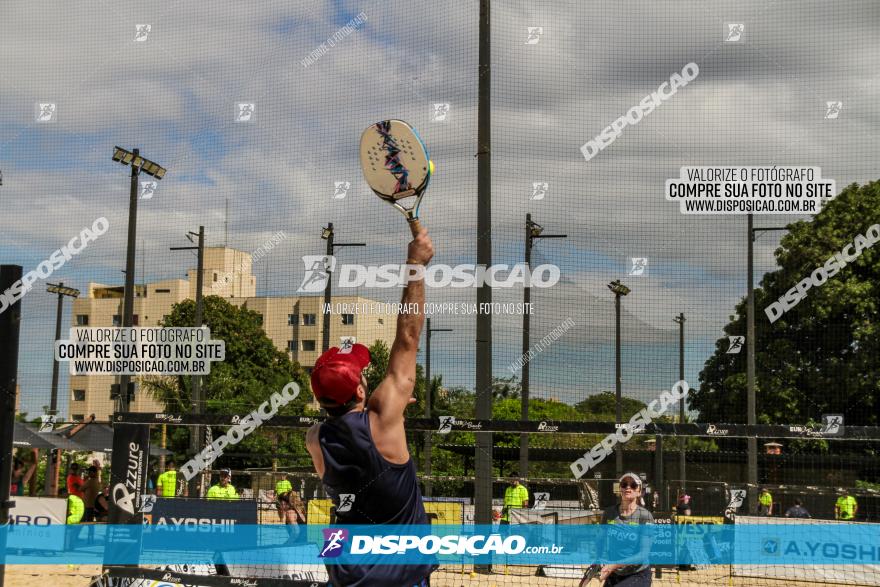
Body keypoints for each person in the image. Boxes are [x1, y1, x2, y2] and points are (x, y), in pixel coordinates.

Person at [305, 227, 435, 587]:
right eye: (362, 375)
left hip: (346, 573)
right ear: (361, 390)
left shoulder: (315, 438)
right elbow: (408, 336)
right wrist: (416, 264)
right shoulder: (382, 420)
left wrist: (391, 418)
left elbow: (353, 435)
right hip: (400, 576)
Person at [596, 473, 655, 586]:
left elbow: (643, 554)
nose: (628, 487)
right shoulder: (609, 513)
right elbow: (600, 540)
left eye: (633, 485)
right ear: (620, 489)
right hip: (614, 573)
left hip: (637, 574)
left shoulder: (645, 516)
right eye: (624, 484)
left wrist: (613, 565)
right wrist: (600, 560)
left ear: (639, 491)